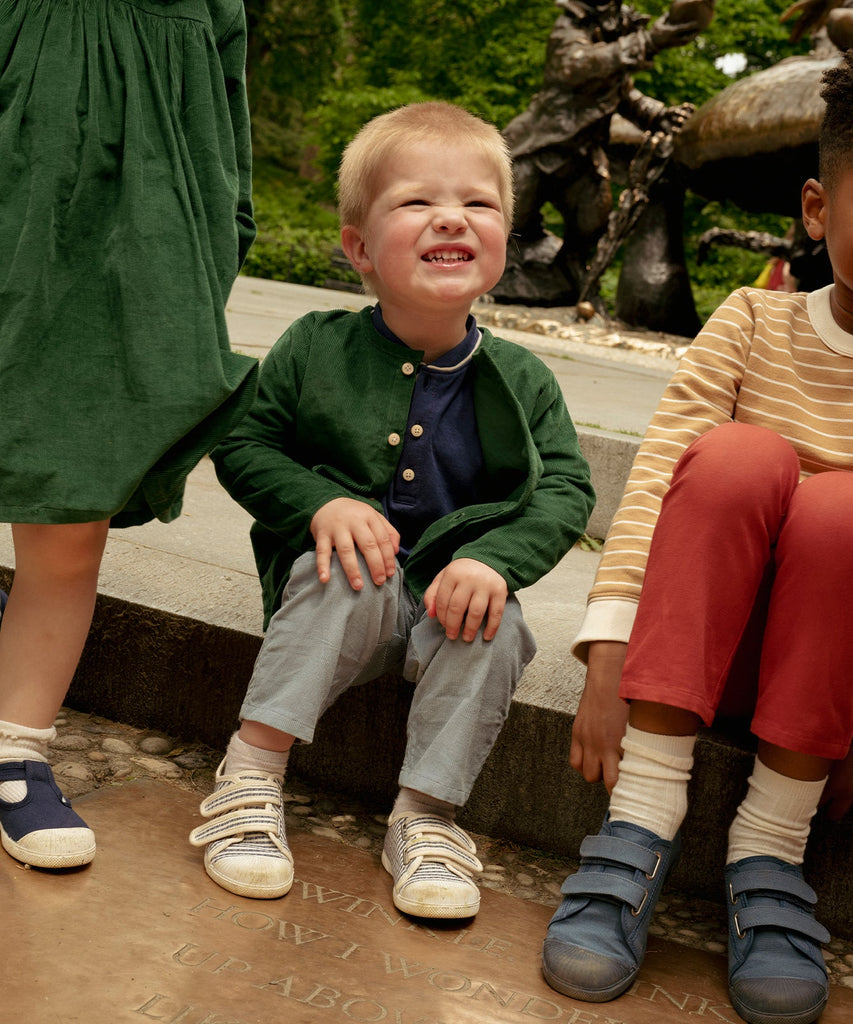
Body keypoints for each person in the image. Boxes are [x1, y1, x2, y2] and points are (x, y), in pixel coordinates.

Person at [189, 101, 595, 919]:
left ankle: (425, 816)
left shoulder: (524, 379)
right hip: (336, 596)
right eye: (416, 201)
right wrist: (321, 503)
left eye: (478, 204)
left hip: (449, 602)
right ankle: (250, 774)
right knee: (341, 573)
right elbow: (244, 444)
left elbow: (565, 490)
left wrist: (493, 561)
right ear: (359, 248)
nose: (451, 215)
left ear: (502, 244)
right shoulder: (314, 345)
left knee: (498, 624)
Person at [541, 51, 853, 1024]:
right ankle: (640, 818)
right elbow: (654, 479)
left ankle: (769, 844)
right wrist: (608, 648)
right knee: (730, 458)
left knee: (843, 508)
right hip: (692, 640)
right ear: (816, 210)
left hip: (820, 669)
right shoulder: (753, 322)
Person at [0, 0, 258, 871]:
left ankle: (15, 751)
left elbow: (226, 136)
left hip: (121, 262)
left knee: (71, 524)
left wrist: (213, 246)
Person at [495, 0, 702, 306]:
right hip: (538, 148)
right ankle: (489, 278)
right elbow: (578, 64)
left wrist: (659, 114)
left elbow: (625, 96)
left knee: (592, 220)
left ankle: (572, 280)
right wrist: (647, 41)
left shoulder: (611, 46)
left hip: (583, 157)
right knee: (512, 214)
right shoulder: (568, 31)